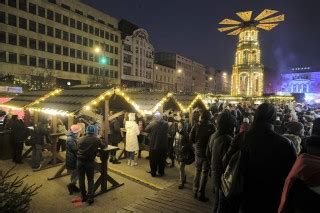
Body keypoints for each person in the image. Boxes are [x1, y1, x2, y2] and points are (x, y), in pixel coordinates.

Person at [223, 103, 296, 213]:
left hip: (244, 194)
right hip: (272, 197)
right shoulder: (285, 143)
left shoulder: (241, 137)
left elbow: (226, 162)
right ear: (273, 118)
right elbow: (292, 177)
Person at [206, 111, 236, 212]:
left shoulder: (213, 135)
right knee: (222, 204)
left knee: (217, 201)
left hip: (215, 171)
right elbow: (228, 162)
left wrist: (212, 165)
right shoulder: (227, 139)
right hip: (223, 175)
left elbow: (208, 153)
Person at [190, 110, 215, 202]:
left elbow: (191, 138)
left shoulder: (196, 125)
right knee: (204, 173)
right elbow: (214, 140)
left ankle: (195, 190)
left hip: (198, 152)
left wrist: (196, 145)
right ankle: (201, 193)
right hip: (206, 153)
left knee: (197, 170)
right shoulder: (212, 127)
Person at [77, 125, 106, 205]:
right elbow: (104, 146)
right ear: (94, 131)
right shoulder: (96, 140)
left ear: (86, 131)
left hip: (79, 161)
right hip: (89, 162)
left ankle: (83, 196)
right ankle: (90, 197)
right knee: (90, 180)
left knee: (81, 179)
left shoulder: (80, 138)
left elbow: (77, 147)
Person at [145, 111, 169, 177]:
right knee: (162, 160)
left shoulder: (152, 123)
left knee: (153, 160)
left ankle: (153, 173)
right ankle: (161, 172)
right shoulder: (166, 124)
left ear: (155, 117)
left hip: (154, 146)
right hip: (163, 146)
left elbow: (146, 129)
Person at [65, 124, 82, 195]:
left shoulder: (71, 138)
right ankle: (71, 185)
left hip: (71, 158)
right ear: (76, 132)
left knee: (74, 173)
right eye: (79, 132)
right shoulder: (70, 139)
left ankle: (73, 185)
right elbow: (75, 149)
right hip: (72, 159)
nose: (80, 133)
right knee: (79, 172)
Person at [174, 121, 190, 189]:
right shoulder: (177, 133)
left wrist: (185, 147)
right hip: (177, 153)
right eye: (178, 126)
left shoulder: (186, 134)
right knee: (181, 169)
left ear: (183, 126)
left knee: (181, 168)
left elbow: (189, 143)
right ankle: (184, 177)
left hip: (183, 153)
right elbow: (175, 142)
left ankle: (181, 182)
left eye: (180, 126)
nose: (179, 127)